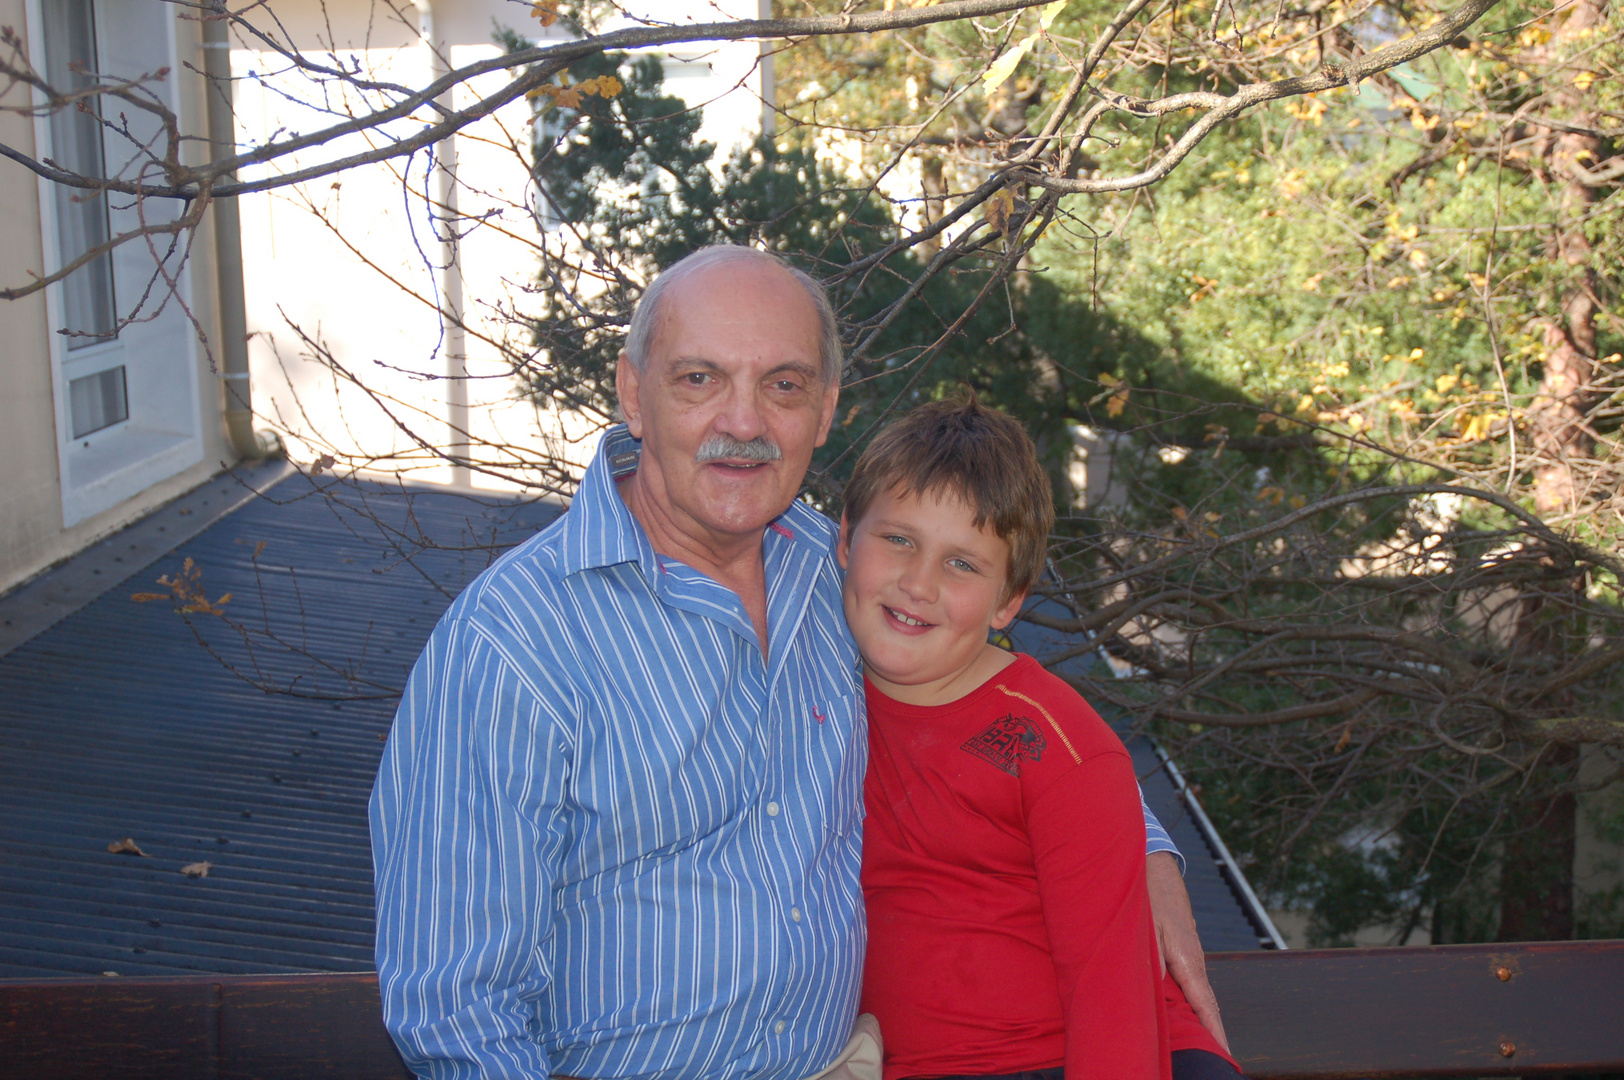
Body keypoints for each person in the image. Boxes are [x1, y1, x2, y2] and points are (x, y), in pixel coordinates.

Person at [369, 244, 1227, 1080]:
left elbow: (998, 710)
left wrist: (1146, 852)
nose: (743, 423)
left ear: (824, 412)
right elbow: (459, 1006)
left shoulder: (851, 576)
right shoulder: (512, 645)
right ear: (635, 393)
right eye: (699, 379)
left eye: (783, 386)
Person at [839, 396, 1243, 1080]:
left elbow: (1110, 990)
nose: (918, 583)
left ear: (1009, 600)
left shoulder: (1055, 745)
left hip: (1091, 1053)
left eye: (962, 564)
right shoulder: (811, 699)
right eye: (899, 539)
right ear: (844, 540)